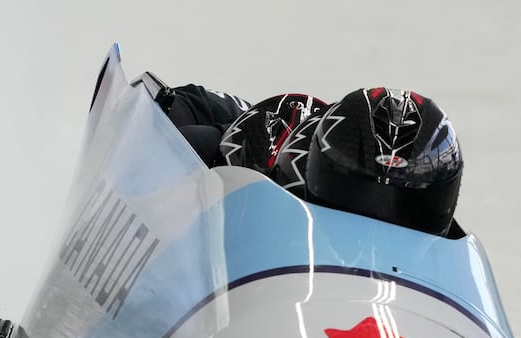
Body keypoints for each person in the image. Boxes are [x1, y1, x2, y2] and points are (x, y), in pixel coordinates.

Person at [157, 82, 465, 236]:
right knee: (166, 123)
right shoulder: (261, 167)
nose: (376, 227)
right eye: (360, 195)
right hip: (232, 125)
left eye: (404, 207)